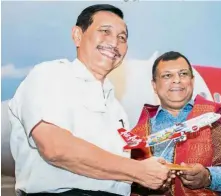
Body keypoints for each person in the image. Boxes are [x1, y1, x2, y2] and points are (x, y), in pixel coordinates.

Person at [8, 4, 170, 195]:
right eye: (105, 31)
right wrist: (137, 171)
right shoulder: (51, 74)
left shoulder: (116, 109)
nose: (114, 43)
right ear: (77, 35)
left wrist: (152, 174)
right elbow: (55, 147)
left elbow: (108, 170)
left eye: (122, 37)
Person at [130, 51, 221, 196]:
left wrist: (209, 177)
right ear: (154, 85)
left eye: (183, 74)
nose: (177, 80)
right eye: (167, 75)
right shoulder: (140, 130)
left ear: (192, 81)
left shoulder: (214, 116)